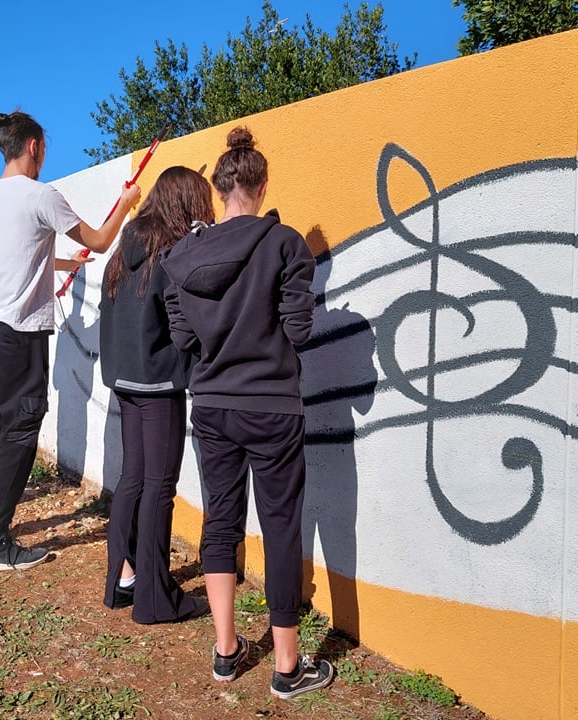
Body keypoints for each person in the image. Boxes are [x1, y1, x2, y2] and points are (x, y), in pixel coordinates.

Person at [160, 127, 334, 696]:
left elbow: (183, 337)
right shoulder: (285, 244)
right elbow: (300, 329)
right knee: (281, 527)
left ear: (220, 186)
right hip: (272, 406)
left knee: (221, 521)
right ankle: (288, 668)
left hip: (210, 405)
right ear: (261, 185)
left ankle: (226, 651)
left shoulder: (181, 256)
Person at [0, 110, 141, 572]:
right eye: (45, 148)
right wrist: (127, 202)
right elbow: (103, 240)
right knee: (21, 431)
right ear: (33, 147)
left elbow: (21, 258)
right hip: (20, 336)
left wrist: (66, 267)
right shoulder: (43, 195)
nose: (45, 155)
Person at [98, 166, 214, 624]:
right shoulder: (170, 252)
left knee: (133, 478)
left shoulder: (127, 245)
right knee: (159, 488)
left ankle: (120, 579)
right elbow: (183, 325)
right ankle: (153, 598)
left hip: (125, 380)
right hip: (160, 382)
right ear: (184, 203)